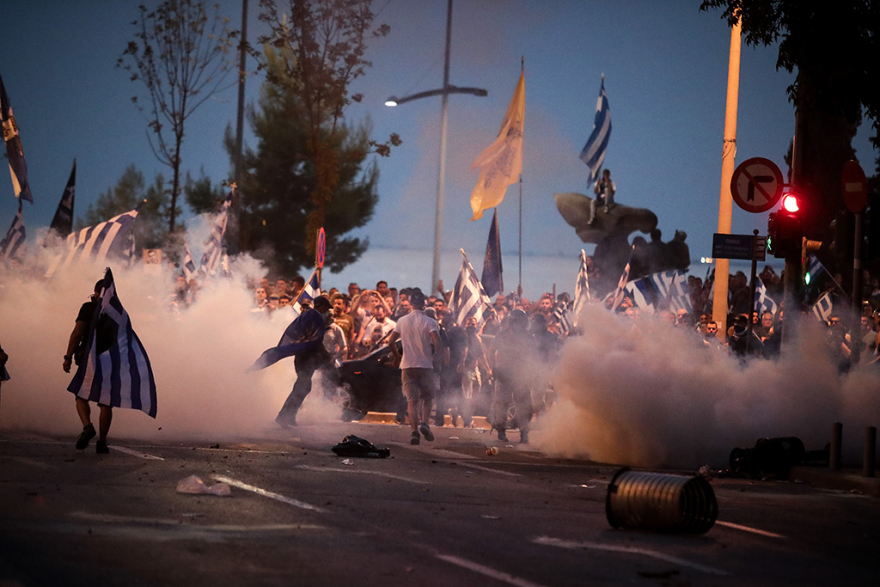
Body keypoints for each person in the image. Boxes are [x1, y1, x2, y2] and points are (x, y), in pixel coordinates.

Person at [63, 280, 113, 453]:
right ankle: (102, 442)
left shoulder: (88, 308)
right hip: (110, 359)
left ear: (96, 292)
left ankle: (88, 427)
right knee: (105, 402)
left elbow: (77, 333)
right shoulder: (117, 311)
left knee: (80, 395)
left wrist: (68, 356)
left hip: (90, 359)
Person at [387, 290, 441, 445]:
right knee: (428, 398)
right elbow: (437, 342)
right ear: (424, 304)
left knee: (412, 401)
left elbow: (391, 342)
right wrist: (436, 357)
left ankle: (414, 432)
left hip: (407, 366)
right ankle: (425, 423)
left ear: (410, 304)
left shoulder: (402, 321)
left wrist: (398, 357)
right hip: (425, 366)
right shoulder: (430, 321)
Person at [275, 296, 334, 428]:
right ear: (321, 306)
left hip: (305, 357)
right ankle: (284, 416)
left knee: (304, 386)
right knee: (302, 386)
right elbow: (315, 341)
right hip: (305, 357)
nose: (327, 311)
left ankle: (289, 416)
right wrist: (326, 355)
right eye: (326, 308)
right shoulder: (314, 318)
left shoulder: (311, 317)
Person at [490, 309, 536, 443]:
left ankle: (524, 433)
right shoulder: (502, 335)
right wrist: (494, 368)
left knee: (523, 405)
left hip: (521, 374)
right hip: (504, 373)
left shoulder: (528, 336)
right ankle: (501, 431)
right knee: (502, 404)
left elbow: (533, 355)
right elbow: (492, 351)